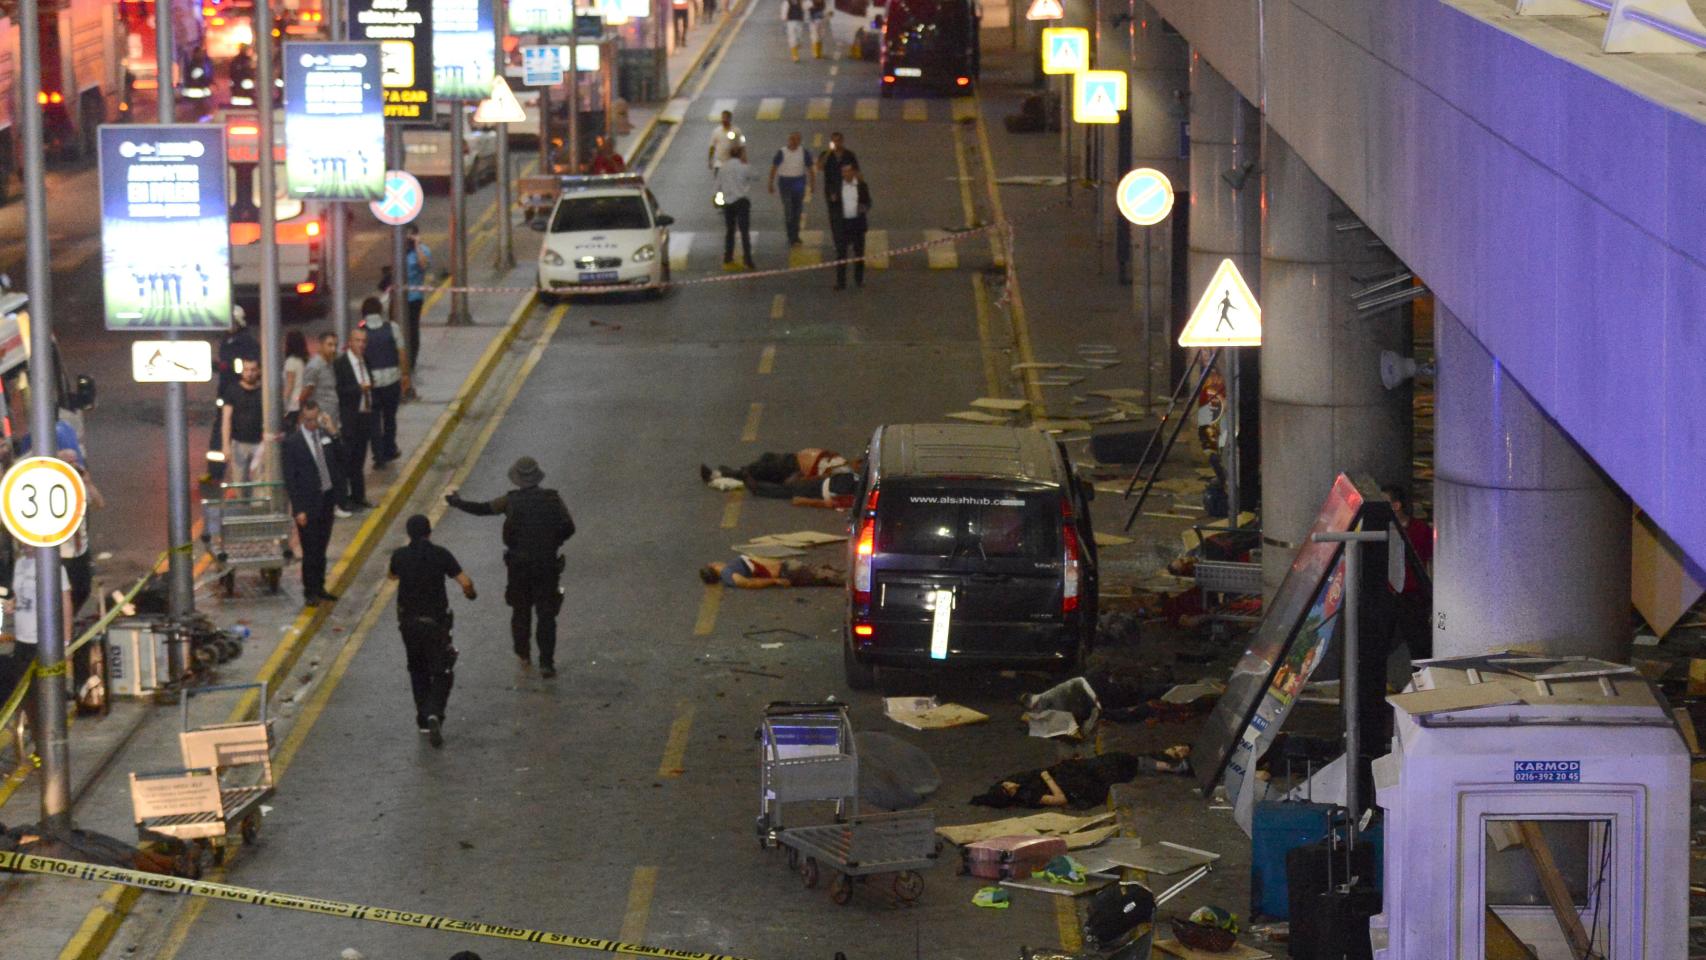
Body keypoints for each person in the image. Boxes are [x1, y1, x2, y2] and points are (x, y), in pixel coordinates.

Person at [446, 458, 575, 678]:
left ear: (517, 479)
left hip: (519, 567)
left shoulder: (510, 501)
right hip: (547, 565)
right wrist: (551, 543)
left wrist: (457, 502)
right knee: (546, 614)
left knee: (520, 611)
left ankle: (523, 653)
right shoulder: (552, 498)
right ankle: (546, 663)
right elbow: (569, 527)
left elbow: (483, 509)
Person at [387, 514, 476, 748]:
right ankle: (435, 711)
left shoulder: (400, 556)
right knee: (443, 670)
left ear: (409, 533)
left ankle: (423, 720)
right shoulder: (441, 554)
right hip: (435, 625)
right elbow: (465, 582)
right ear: (429, 532)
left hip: (408, 624)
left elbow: (392, 575)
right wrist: (470, 594)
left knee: (417, 670)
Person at [3, 542, 74, 758]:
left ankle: (51, 746)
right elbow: (17, 597)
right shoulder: (20, 565)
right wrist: (10, 606)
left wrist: (65, 642)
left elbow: (66, 603)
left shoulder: (55, 567)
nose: (24, 546)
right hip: (23, 641)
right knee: (26, 698)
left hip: (45, 642)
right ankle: (39, 745)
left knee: (47, 696)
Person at [282, 400, 346, 606]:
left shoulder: (325, 436)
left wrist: (333, 431)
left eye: (315, 419)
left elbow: (341, 457)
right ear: (302, 418)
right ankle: (310, 590)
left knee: (322, 547)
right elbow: (291, 479)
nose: (312, 424)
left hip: (326, 499)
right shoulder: (294, 443)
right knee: (310, 549)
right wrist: (298, 509)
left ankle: (320, 586)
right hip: (308, 505)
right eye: (308, 420)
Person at [208, 305, 258, 483]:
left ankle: (226, 471)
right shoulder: (227, 339)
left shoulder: (246, 342)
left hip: (238, 392)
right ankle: (215, 470)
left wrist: (225, 367)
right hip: (225, 390)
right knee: (219, 429)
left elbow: (247, 366)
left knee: (232, 427)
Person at [360, 296, 410, 466]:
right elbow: (402, 352)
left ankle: (378, 456)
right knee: (390, 417)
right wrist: (405, 375)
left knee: (374, 421)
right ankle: (390, 448)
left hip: (371, 384)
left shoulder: (361, 332)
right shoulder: (392, 327)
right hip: (392, 380)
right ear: (380, 311)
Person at [334, 327, 375, 510]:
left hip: (365, 416)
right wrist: (360, 389)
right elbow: (340, 390)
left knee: (359, 459)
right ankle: (344, 500)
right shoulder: (341, 364)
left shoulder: (365, 360)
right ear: (350, 342)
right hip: (349, 418)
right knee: (347, 460)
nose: (361, 345)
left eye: (364, 341)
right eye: (357, 341)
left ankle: (359, 496)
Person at [828, 161, 872, 290]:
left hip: (857, 224)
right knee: (841, 254)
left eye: (848, 171)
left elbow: (868, 202)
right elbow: (832, 206)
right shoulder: (837, 187)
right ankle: (841, 282)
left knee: (859, 254)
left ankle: (859, 280)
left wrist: (864, 207)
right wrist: (833, 200)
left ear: (853, 172)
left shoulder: (862, 186)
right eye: (844, 171)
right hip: (843, 225)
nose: (846, 174)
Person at [701, 448, 847, 486]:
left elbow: (820, 479)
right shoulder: (843, 463)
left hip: (794, 468)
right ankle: (739, 470)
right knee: (767, 457)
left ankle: (718, 475)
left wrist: (800, 477)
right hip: (794, 458)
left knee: (762, 469)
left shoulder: (843, 474)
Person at [219, 360, 265, 485]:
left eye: (253, 370)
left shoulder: (263, 391)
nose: (249, 373)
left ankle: (258, 505)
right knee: (239, 482)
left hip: (259, 444)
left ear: (258, 371)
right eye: (246, 370)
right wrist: (226, 445)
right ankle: (242, 504)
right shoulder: (232, 390)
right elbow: (226, 419)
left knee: (260, 481)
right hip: (238, 442)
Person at [768, 132, 813, 246]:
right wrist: (770, 183)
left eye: (797, 140)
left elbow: (810, 168)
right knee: (789, 211)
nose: (794, 142)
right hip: (785, 185)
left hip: (799, 183)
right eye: (792, 139)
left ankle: (795, 235)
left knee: (797, 211)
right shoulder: (782, 152)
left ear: (799, 141)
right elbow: (774, 168)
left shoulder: (804, 152)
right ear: (789, 140)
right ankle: (790, 236)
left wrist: (813, 183)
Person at [717, 144, 755, 271]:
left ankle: (728, 256)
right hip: (742, 202)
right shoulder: (745, 167)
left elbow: (717, 186)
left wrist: (719, 201)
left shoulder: (723, 168)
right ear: (740, 155)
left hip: (728, 203)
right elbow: (756, 176)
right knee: (744, 232)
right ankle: (748, 259)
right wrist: (746, 163)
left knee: (730, 231)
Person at [699, 556, 842, 589]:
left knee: (829, 572)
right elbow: (746, 583)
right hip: (787, 572)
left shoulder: (729, 569)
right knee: (834, 577)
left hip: (788, 568)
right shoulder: (728, 573)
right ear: (713, 566)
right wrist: (775, 581)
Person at [404, 224, 432, 382]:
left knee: (412, 329)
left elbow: (424, 265)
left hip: (414, 298)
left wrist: (416, 246)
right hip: (399, 297)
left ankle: (412, 361)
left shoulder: (423, 250)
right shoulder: (400, 251)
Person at [282, 329, 310, 429]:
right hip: (302, 401)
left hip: (292, 404)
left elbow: (289, 385)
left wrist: (282, 403)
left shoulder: (291, 362)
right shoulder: (303, 361)